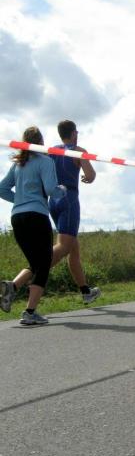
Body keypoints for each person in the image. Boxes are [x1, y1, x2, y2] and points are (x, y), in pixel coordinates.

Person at [0, 127, 66, 325]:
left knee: (36, 262)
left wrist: (20, 200)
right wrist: (62, 190)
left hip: (17, 217)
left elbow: (2, 189)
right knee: (44, 263)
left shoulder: (18, 164)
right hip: (36, 216)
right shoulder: (45, 161)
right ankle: (30, 312)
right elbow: (51, 189)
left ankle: (12, 287)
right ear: (41, 142)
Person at [48, 120, 101, 304]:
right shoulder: (78, 151)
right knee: (64, 247)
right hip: (69, 199)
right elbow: (91, 175)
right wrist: (87, 177)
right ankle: (26, 277)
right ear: (73, 133)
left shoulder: (52, 151)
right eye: (76, 132)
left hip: (53, 199)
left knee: (73, 248)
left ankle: (86, 291)